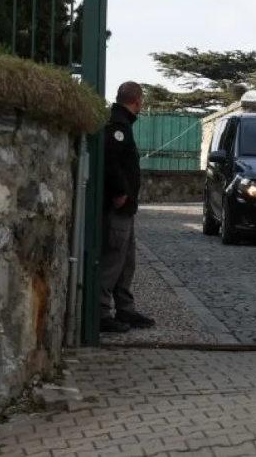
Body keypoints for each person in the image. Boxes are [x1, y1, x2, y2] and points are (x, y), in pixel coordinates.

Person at [101, 81, 155, 333]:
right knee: (113, 260)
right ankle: (101, 312)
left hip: (126, 208)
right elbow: (111, 161)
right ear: (137, 101)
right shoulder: (119, 125)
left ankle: (125, 308)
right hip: (119, 206)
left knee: (126, 261)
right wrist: (119, 192)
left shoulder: (120, 122)